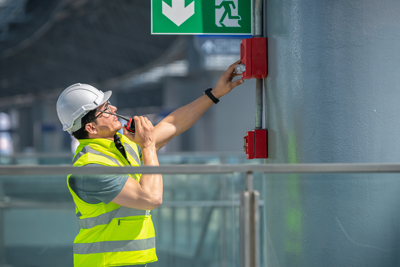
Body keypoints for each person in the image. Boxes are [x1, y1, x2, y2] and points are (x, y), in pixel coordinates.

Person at [56, 61, 244, 267]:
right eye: (106, 109)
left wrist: (215, 93)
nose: (114, 109)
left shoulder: (125, 146)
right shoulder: (90, 169)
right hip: (104, 263)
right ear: (91, 127)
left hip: (128, 261)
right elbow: (151, 198)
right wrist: (147, 146)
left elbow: (174, 123)